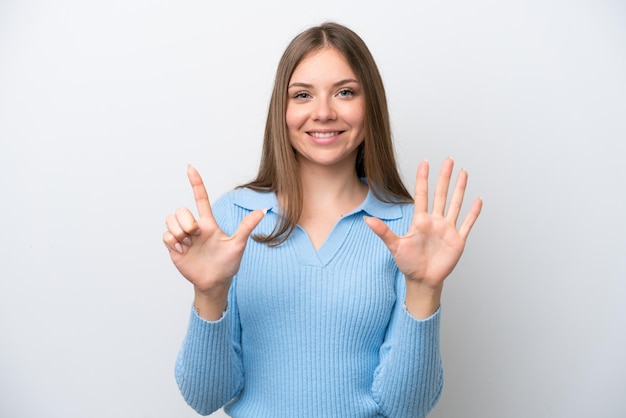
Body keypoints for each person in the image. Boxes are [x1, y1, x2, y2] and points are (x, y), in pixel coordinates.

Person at [163, 22, 482, 417]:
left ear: (371, 106)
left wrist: (425, 289)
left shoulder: (410, 229)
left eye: (345, 92)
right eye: (302, 95)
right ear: (283, 109)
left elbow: (407, 408)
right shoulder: (233, 219)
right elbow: (204, 397)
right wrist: (209, 294)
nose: (324, 112)